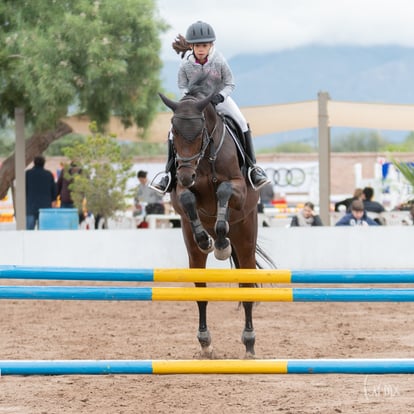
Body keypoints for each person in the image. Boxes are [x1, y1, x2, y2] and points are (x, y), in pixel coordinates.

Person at [152, 20, 270, 193]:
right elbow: (182, 85)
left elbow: (230, 83)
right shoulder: (185, 63)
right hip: (194, 103)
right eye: (198, 46)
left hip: (219, 99)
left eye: (205, 45)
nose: (201, 49)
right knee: (172, 130)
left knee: (242, 122)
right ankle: (168, 175)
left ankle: (253, 168)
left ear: (211, 45)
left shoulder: (219, 61)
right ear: (191, 46)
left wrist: (220, 96)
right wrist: (191, 101)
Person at [25, 155, 57, 230]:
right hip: (45, 208)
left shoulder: (27, 174)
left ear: (34, 163)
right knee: (43, 231)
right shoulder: (49, 174)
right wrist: (54, 200)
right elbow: (54, 189)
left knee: (29, 231)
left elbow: (24, 189)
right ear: (44, 163)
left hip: (30, 206)